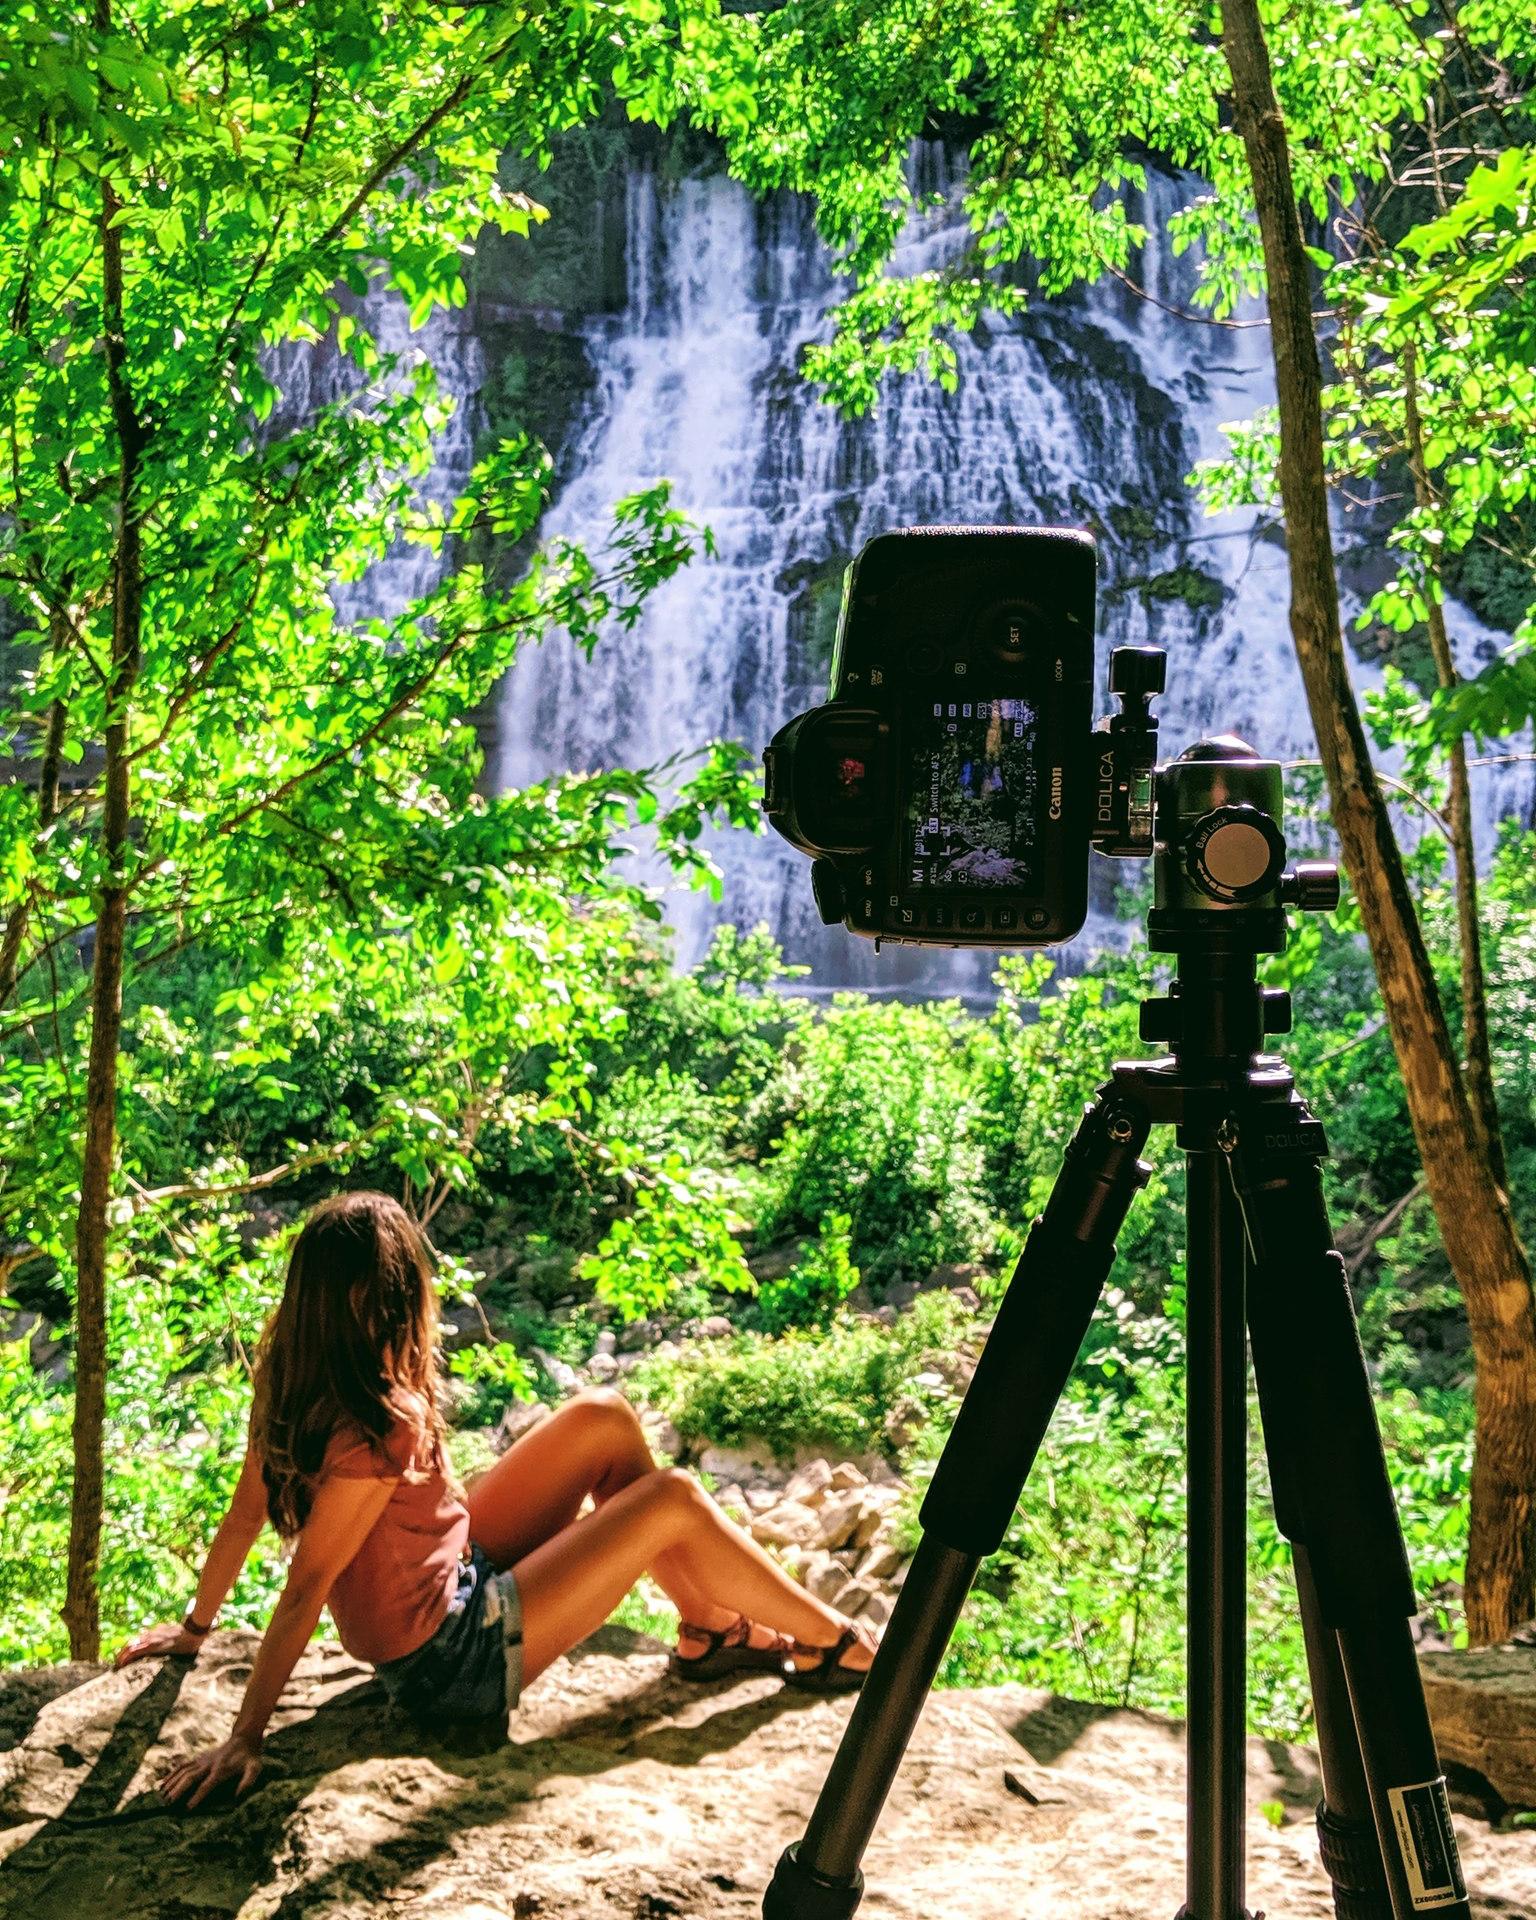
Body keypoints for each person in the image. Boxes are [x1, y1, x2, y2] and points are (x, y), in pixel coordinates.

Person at [115, 1191, 879, 1809]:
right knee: (672, 1496)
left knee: (605, 1419)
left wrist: (196, 1627)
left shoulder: (293, 1370)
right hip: (454, 1664)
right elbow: (307, 1584)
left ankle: (710, 1630)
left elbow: (247, 1513)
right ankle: (837, 1639)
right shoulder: (379, 1425)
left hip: (453, 1578)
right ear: (393, 1298)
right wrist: (246, 1735)